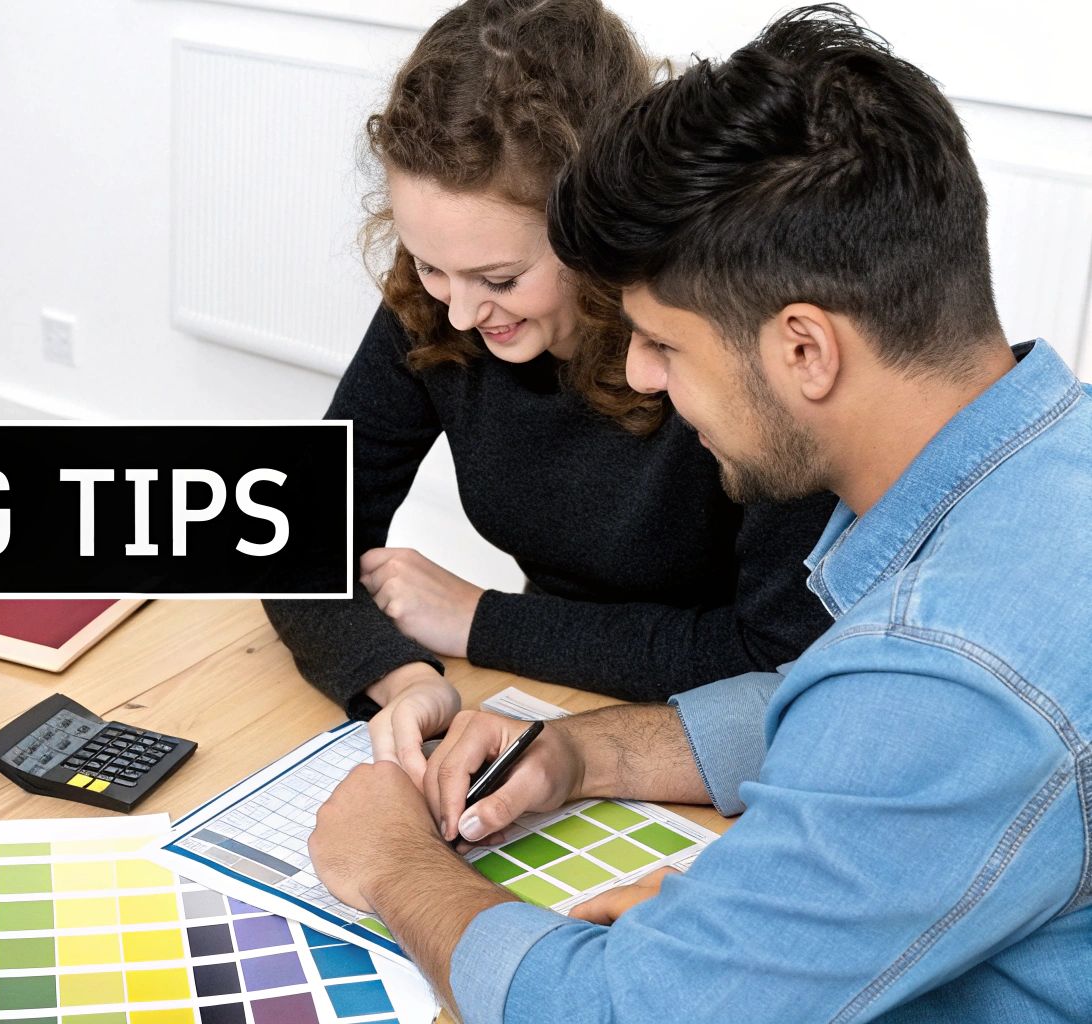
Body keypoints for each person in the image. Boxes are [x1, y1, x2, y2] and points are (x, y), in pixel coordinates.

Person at [308, 6, 1092, 1021]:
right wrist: (594, 751)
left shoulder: (949, 673)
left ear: (803, 350)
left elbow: (618, 1012)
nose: (632, 372)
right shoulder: (1043, 463)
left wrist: (395, 867)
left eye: (662, 345)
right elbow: (847, 711)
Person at [262, 0, 835, 793]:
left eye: (500, 279)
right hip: (548, 706)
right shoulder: (440, 304)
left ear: (596, 226)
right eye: (429, 264)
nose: (460, 313)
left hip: (720, 750)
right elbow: (293, 535)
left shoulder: (722, 336)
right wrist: (400, 678)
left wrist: (480, 619)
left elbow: (772, 660)